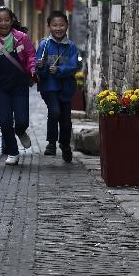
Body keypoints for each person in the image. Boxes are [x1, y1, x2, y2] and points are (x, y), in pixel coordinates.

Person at [0, 6, 36, 166]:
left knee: (22, 120)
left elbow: (31, 55)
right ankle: (13, 151)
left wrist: (32, 69)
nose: (3, 23)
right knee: (4, 121)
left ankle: (20, 131)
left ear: (11, 21)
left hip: (19, 86)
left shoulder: (22, 38)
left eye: (6, 20)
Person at [35, 11, 80, 163]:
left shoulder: (71, 47)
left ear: (67, 26)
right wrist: (41, 67)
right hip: (49, 86)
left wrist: (60, 70)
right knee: (54, 111)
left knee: (66, 119)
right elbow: (38, 69)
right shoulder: (44, 44)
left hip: (66, 88)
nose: (58, 28)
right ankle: (51, 142)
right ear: (49, 26)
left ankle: (65, 144)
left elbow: (74, 66)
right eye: (54, 25)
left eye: (61, 25)